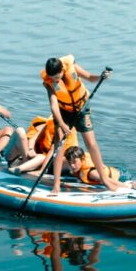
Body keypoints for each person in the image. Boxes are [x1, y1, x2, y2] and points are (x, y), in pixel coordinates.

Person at [41, 54, 120, 193]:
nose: (55, 80)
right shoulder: (49, 82)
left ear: (62, 70)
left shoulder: (72, 68)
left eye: (57, 77)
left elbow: (89, 77)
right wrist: (62, 124)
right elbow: (54, 105)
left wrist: (101, 77)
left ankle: (105, 179)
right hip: (63, 111)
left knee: (91, 144)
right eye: (53, 78)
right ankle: (56, 185)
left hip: (81, 107)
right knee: (59, 146)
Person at [63, 145, 136, 195]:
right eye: (70, 162)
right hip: (116, 171)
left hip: (120, 176)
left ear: (82, 159)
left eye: (74, 162)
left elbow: (108, 180)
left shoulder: (91, 173)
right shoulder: (79, 168)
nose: (72, 165)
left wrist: (123, 187)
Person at [6, 115, 79, 175]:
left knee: (42, 157)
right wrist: (31, 150)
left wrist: (42, 170)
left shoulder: (67, 131)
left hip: (40, 161)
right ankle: (23, 164)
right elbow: (33, 139)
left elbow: (53, 150)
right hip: (22, 157)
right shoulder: (50, 123)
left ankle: (19, 169)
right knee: (20, 130)